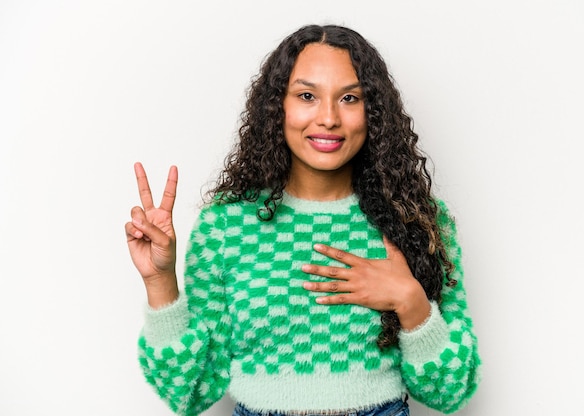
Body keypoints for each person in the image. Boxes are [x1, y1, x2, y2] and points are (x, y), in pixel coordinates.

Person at [125, 24, 481, 416]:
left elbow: (451, 391)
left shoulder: (417, 221)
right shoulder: (226, 227)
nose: (328, 118)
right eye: (307, 96)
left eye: (349, 98)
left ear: (374, 111)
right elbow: (189, 392)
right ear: (278, 105)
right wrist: (159, 282)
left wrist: (410, 301)